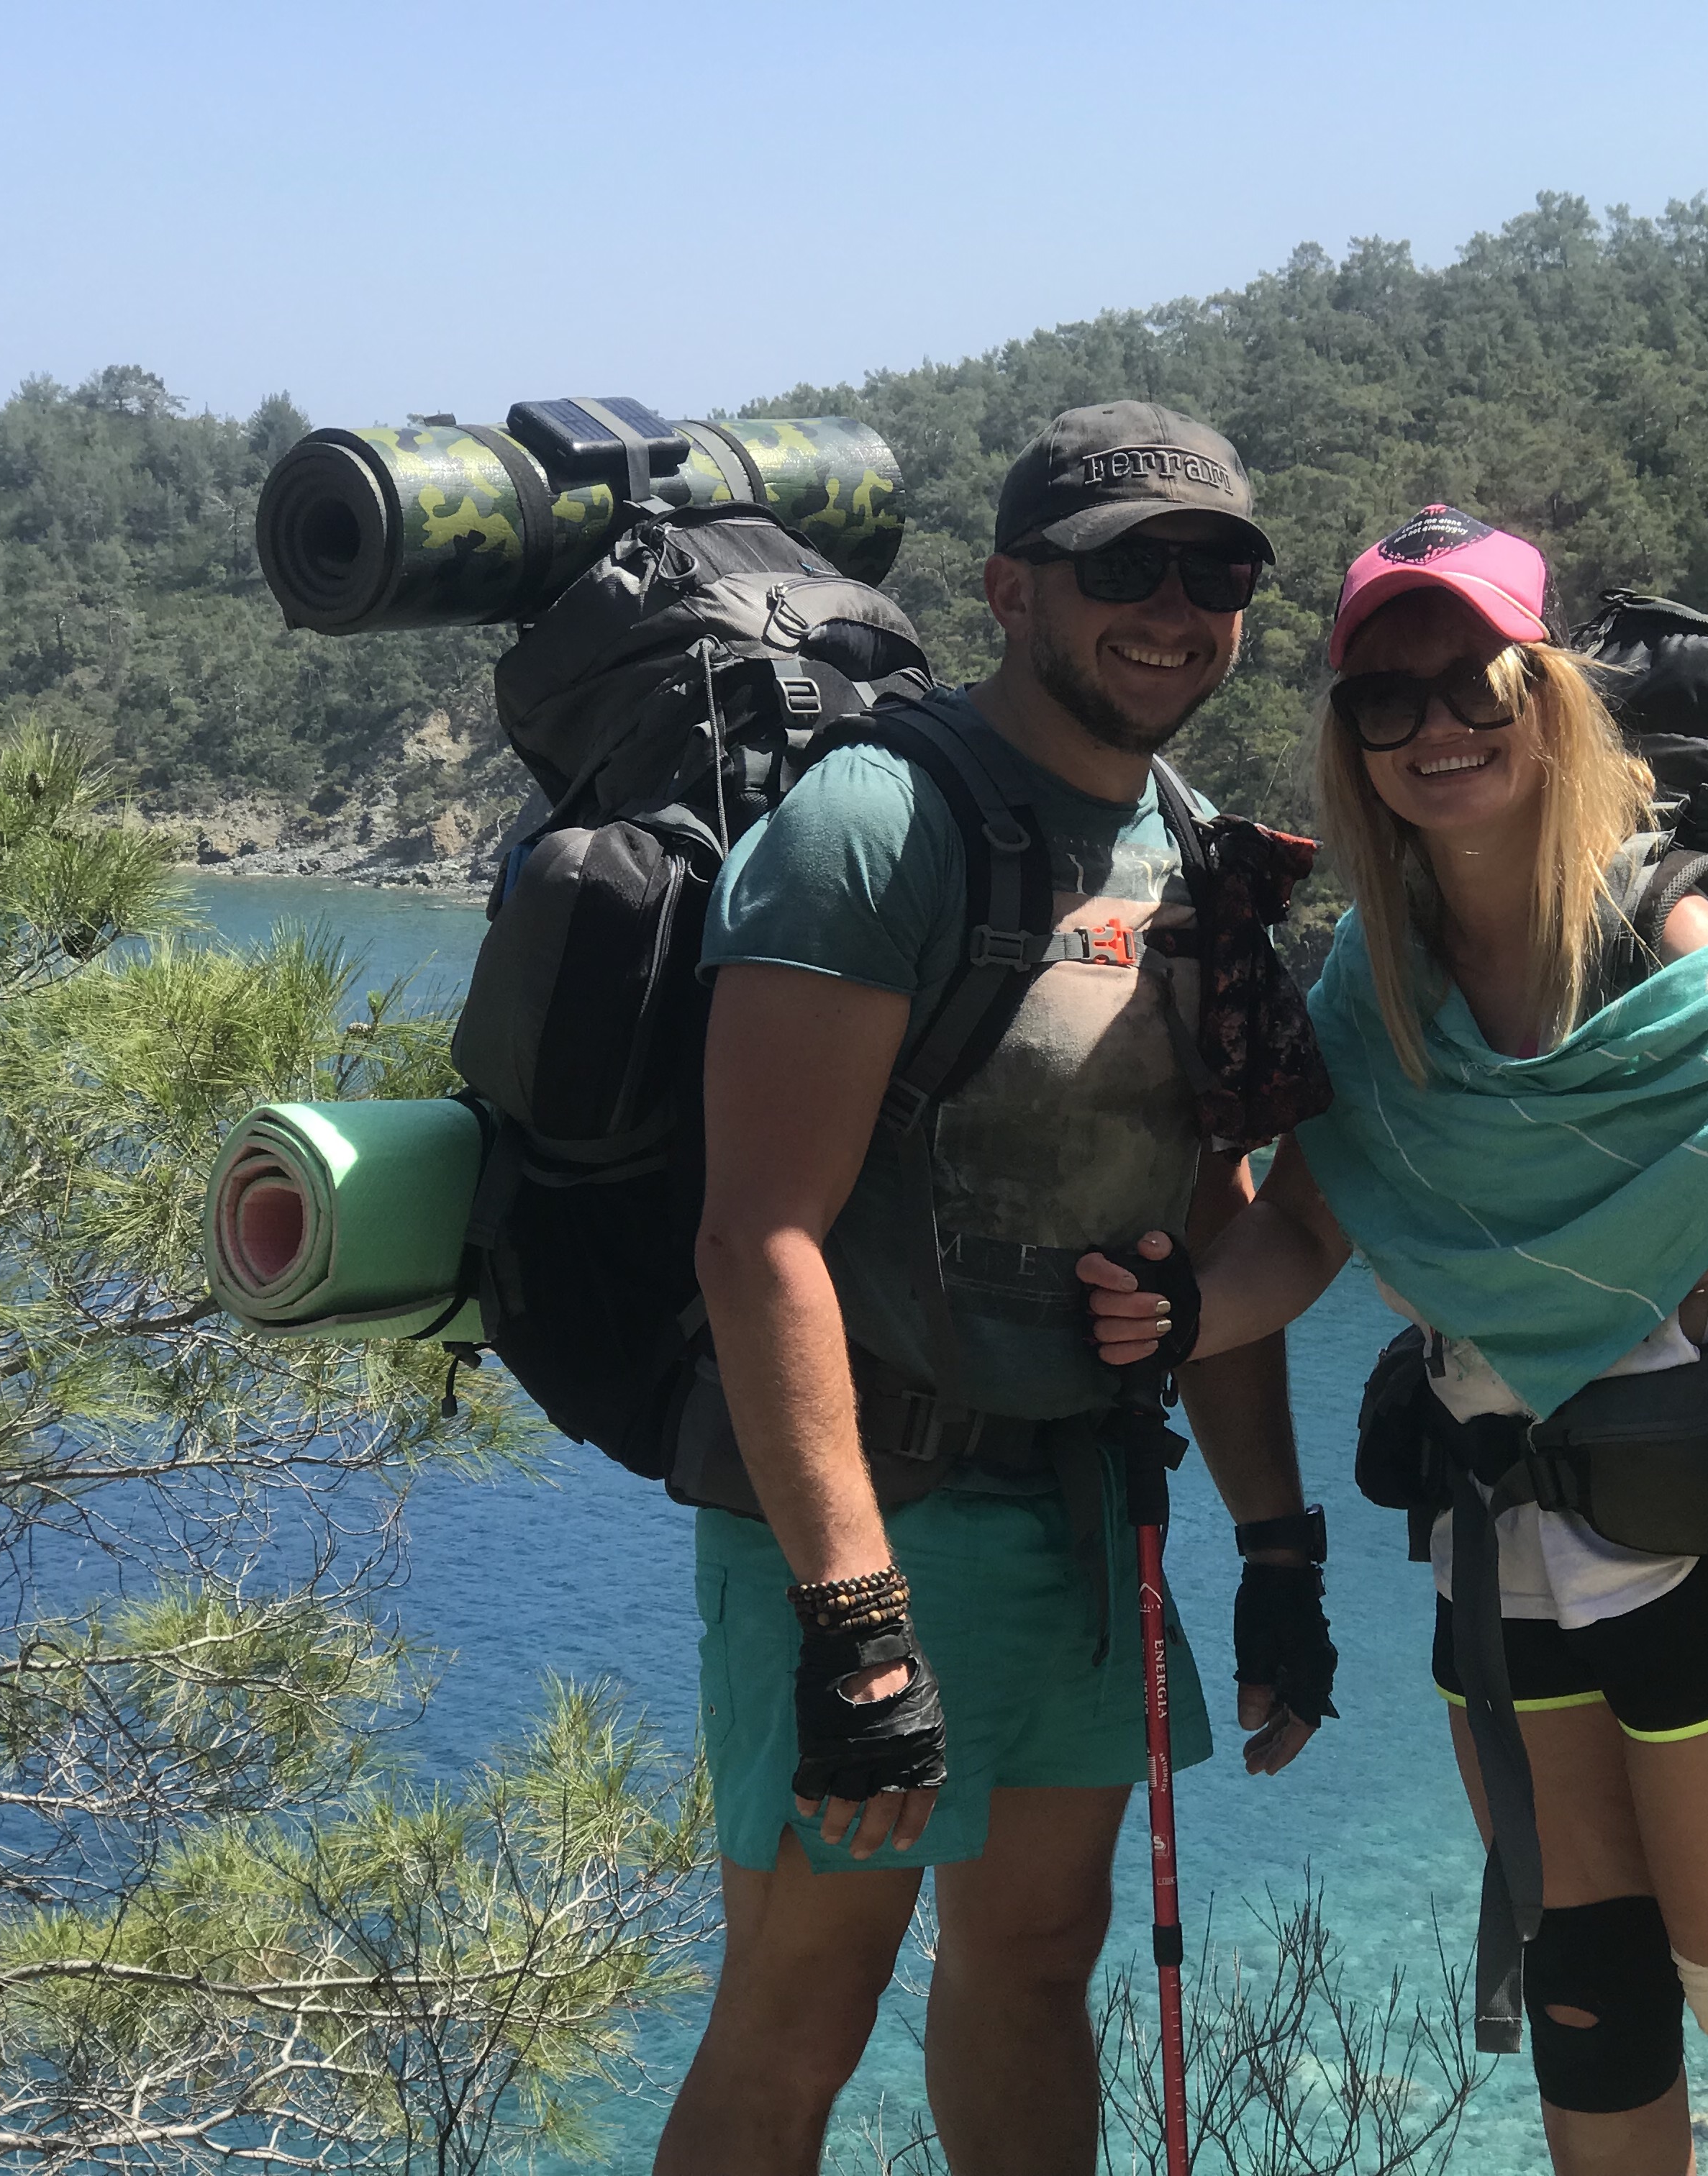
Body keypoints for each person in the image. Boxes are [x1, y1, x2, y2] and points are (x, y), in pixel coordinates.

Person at [1082, 507, 1708, 2175]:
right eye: (1384, 698)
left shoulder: (1667, 928)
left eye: (1473, 681)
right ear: (1350, 739)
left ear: (1544, 693)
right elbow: (1302, 1236)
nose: (1436, 726)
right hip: (1503, 1554)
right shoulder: (1374, 983)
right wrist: (1183, 1309)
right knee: (1592, 2006)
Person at [660, 402, 1338, 2176]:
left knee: (1038, 1963)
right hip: (869, 1505)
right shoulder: (874, 825)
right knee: (802, 2001)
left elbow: (1204, 1222)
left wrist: (1278, 1550)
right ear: (1012, 590)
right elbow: (758, 1236)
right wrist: (854, 1618)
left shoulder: (1193, 848)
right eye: (1126, 568)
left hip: (1084, 1509)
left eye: (1215, 572)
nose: (1173, 609)